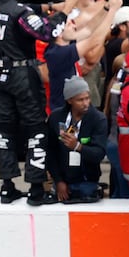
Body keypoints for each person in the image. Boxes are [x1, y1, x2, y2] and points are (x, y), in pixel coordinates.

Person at [0, 0, 63, 204]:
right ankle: (36, 188)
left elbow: (22, 10)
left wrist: (45, 8)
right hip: (22, 75)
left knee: (4, 129)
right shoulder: (20, 13)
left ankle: (7, 185)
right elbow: (47, 33)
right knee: (36, 128)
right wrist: (63, 15)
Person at [47, 76, 107, 204]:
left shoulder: (98, 119)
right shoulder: (56, 117)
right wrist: (58, 181)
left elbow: (99, 154)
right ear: (69, 100)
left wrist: (78, 147)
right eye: (80, 100)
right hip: (62, 179)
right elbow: (50, 151)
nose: (86, 103)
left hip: (87, 180)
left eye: (87, 98)